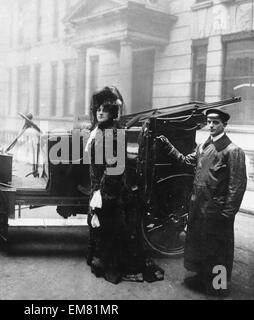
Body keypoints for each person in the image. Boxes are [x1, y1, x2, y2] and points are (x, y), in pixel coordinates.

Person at [157, 108, 247, 297]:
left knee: (219, 251)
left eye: (216, 122)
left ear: (225, 125)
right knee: (200, 245)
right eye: (209, 122)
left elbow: (237, 186)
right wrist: (167, 145)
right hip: (199, 207)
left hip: (217, 211)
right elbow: (184, 161)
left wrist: (227, 214)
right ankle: (202, 278)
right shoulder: (202, 148)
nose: (212, 125)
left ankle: (219, 286)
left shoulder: (233, 151)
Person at [86, 86, 164, 284]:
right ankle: (102, 260)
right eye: (98, 109)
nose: (100, 112)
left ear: (112, 112)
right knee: (103, 228)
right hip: (102, 187)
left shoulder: (112, 134)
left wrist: (100, 193)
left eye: (104, 109)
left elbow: (113, 169)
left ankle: (119, 268)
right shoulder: (101, 130)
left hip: (111, 191)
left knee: (112, 231)